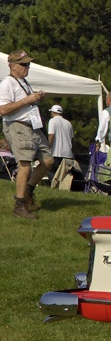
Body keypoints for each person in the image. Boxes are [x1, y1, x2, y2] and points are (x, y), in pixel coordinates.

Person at [0, 50, 54, 218]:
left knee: (48, 160)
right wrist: (26, 100)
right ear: (13, 66)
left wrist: (36, 97)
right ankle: (20, 204)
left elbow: (25, 104)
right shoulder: (7, 83)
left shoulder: (23, 82)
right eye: (24, 64)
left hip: (32, 127)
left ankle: (28, 191)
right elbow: (2, 109)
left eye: (28, 64)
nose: (27, 67)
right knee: (25, 164)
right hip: (18, 126)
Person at [47, 104, 77, 190]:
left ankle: (55, 187)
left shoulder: (52, 121)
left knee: (52, 171)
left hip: (56, 153)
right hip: (68, 154)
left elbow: (51, 135)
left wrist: (48, 147)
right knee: (64, 174)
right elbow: (72, 139)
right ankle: (64, 188)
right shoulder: (68, 123)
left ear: (53, 112)